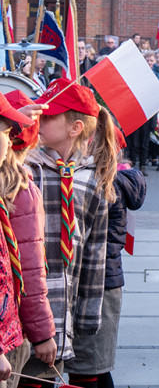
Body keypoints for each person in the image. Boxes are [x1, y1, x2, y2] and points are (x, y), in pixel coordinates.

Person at [20, 79, 116, 387]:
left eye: (49, 116)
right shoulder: (24, 169)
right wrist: (16, 126)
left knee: (49, 376)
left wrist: (87, 318)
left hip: (65, 306)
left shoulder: (91, 179)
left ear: (75, 127)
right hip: (24, 303)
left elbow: (94, 253)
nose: (41, 120)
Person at [67, 135, 146, 388]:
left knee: (87, 368)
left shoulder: (100, 184)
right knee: (96, 367)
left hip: (94, 284)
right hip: (109, 279)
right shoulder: (117, 180)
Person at [2, 91, 57, 386]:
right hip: (9, 332)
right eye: (5, 132)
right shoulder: (21, 190)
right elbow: (29, 269)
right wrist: (43, 333)